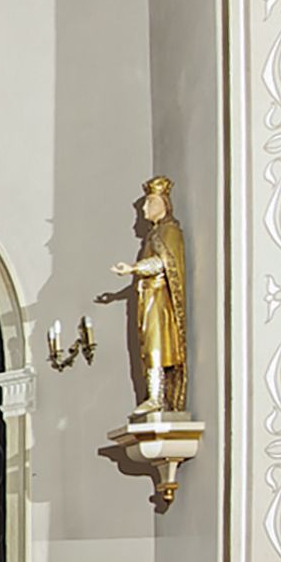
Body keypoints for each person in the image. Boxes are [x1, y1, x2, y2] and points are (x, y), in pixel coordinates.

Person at [111, 175, 187, 412]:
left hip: (159, 300)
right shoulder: (154, 235)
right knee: (148, 348)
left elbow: (163, 263)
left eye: (149, 202)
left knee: (157, 346)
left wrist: (133, 268)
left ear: (163, 204)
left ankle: (157, 397)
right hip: (148, 297)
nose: (144, 209)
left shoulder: (170, 231)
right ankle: (154, 395)